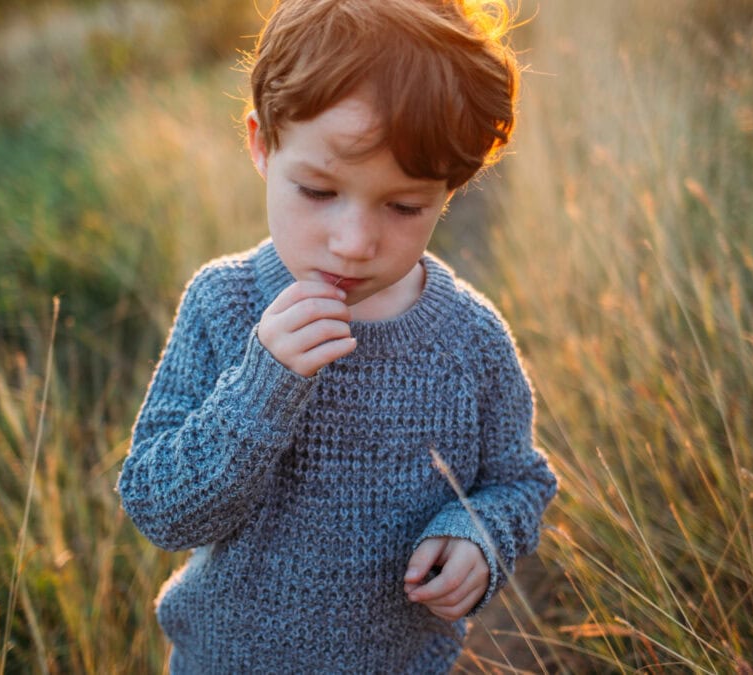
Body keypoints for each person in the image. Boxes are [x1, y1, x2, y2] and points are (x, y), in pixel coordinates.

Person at [116, 0, 557, 671]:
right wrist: (262, 385)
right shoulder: (224, 305)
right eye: (319, 192)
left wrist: (479, 533)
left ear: (451, 188)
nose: (353, 244)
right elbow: (161, 508)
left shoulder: (469, 342)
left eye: (404, 206)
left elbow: (519, 482)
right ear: (262, 144)